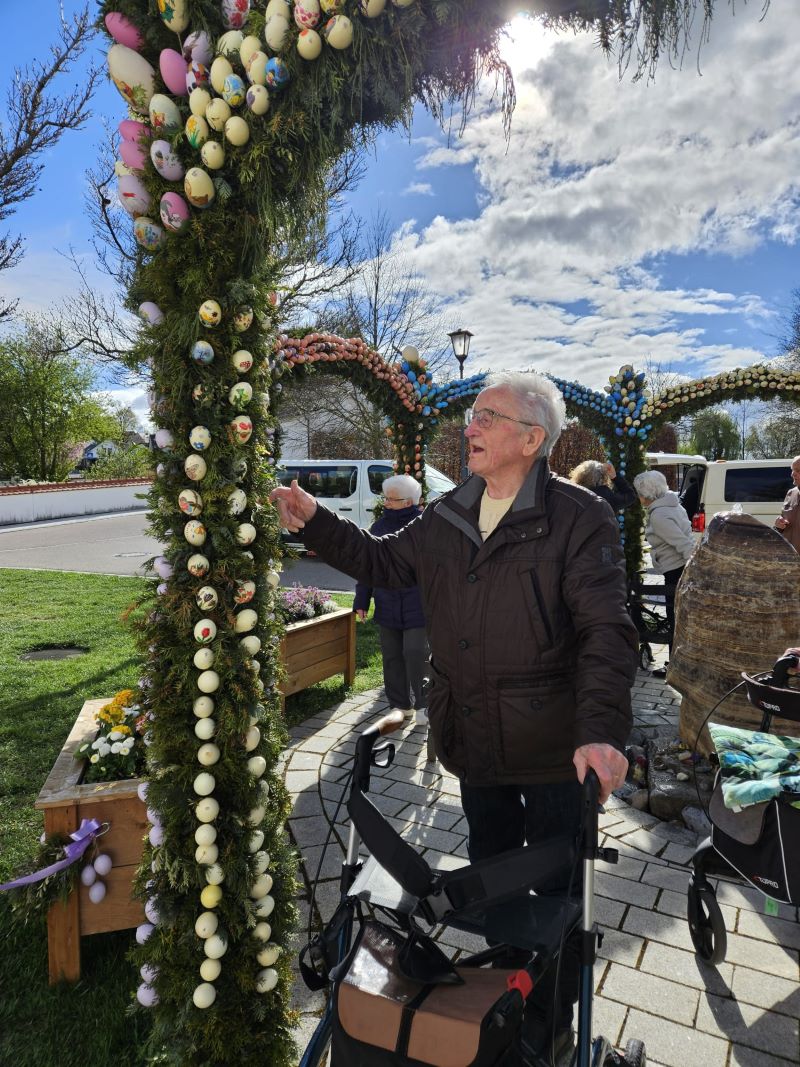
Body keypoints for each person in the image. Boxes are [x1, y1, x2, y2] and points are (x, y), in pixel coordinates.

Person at [272, 372, 637, 1064]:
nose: (470, 426)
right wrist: (315, 518)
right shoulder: (448, 515)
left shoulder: (579, 517)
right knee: (494, 879)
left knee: (561, 895)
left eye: (488, 416)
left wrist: (600, 731)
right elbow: (380, 560)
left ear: (531, 439)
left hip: (557, 748)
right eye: (472, 413)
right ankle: (501, 1010)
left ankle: (549, 1021)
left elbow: (606, 631)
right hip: (474, 740)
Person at [354, 474, 428, 723]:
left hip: (418, 606)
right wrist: (362, 600)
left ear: (408, 503)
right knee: (392, 656)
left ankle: (424, 704)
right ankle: (400, 705)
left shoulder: (424, 527)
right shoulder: (378, 528)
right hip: (387, 604)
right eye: (386, 498)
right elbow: (368, 567)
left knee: (416, 652)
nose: (385, 502)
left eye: (391, 499)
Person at [632, 469, 696, 679]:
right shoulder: (673, 505)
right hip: (678, 569)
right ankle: (679, 665)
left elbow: (683, 544)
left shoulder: (659, 514)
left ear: (647, 494)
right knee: (678, 618)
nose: (638, 496)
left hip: (676, 570)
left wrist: (695, 568)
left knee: (674, 619)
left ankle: (675, 669)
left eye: (638, 492)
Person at [569, 459, 636, 510]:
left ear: (580, 475)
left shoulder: (572, 493)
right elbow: (631, 496)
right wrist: (615, 477)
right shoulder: (608, 498)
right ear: (603, 477)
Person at [773, 455, 800, 553]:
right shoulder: (790, 493)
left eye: (798, 471)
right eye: (792, 470)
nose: (793, 474)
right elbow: (782, 524)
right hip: (788, 557)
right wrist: (778, 525)